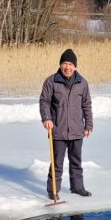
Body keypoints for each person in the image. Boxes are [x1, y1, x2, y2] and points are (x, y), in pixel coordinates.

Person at [39, 48, 93, 200]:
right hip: (58, 130)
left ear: (75, 66)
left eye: (70, 64)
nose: (67, 67)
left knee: (76, 161)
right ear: (60, 65)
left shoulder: (82, 83)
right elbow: (44, 101)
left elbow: (87, 105)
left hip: (77, 130)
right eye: (64, 63)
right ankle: (53, 191)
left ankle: (77, 187)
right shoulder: (51, 81)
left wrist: (88, 125)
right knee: (57, 163)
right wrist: (46, 118)